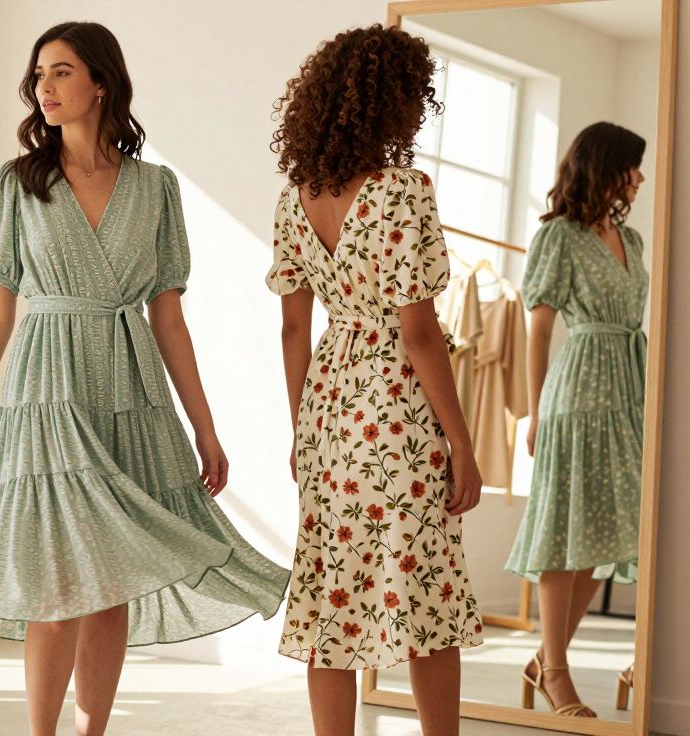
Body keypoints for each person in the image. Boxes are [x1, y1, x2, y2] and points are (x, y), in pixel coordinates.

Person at [0, 21, 288, 736]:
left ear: (101, 82)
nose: (45, 87)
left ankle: (90, 732)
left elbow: (170, 320)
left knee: (111, 581)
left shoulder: (155, 189)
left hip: (128, 387)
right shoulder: (18, 183)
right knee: (53, 579)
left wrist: (204, 425)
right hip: (46, 388)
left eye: (62, 72)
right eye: (38, 75)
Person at [266, 24, 483, 736]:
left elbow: (294, 329)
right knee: (427, 592)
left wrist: (304, 431)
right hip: (396, 406)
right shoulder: (401, 191)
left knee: (333, 593)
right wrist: (461, 441)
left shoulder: (295, 200)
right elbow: (419, 334)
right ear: (391, 102)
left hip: (330, 403)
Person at [505, 121, 648, 718]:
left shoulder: (632, 239)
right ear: (606, 168)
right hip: (577, 390)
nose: (640, 177)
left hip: (629, 389)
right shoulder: (557, 236)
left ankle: (546, 659)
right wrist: (537, 413)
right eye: (632, 166)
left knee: (609, 530)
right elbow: (537, 328)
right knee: (566, 532)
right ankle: (556, 670)